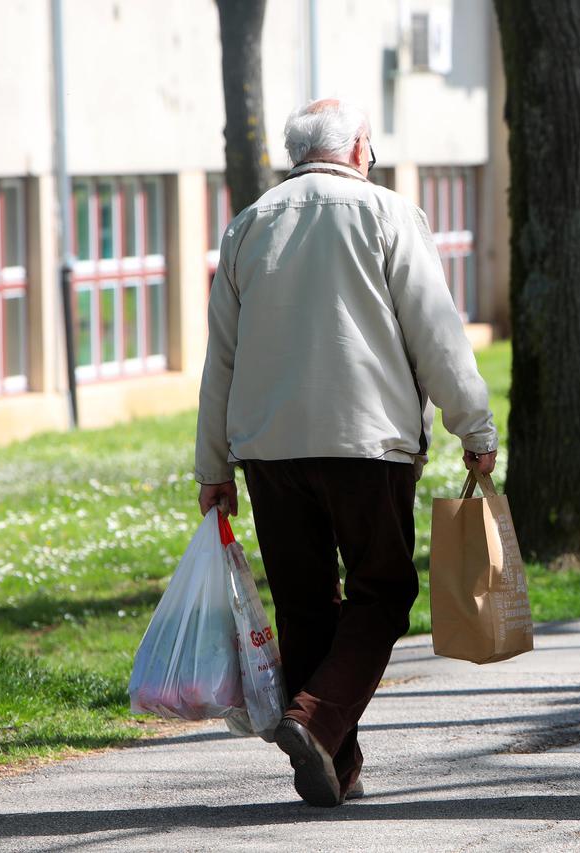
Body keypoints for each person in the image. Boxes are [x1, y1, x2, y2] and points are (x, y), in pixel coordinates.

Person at [194, 98, 498, 807]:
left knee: (305, 603)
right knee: (383, 592)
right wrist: (474, 427)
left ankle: (336, 759)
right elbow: (437, 335)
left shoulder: (248, 226)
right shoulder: (389, 214)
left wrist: (213, 465)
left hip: (268, 449)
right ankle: (316, 720)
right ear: (361, 146)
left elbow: (222, 360)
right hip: (369, 443)